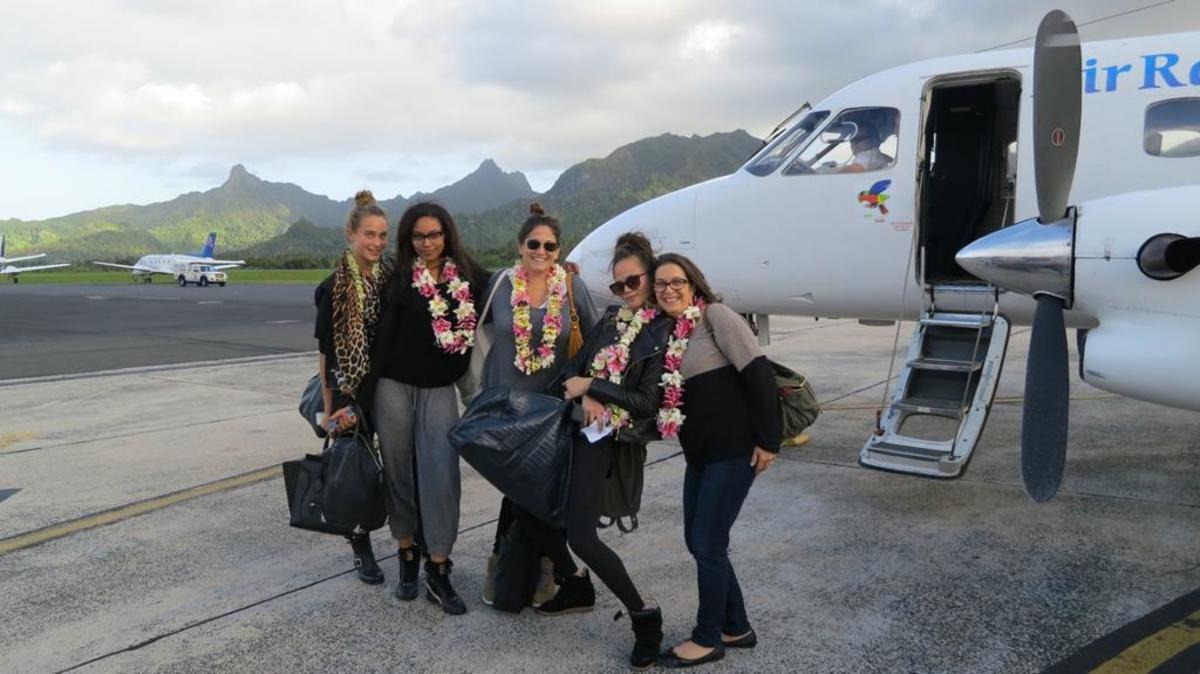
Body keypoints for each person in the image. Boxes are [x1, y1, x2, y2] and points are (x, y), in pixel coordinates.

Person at [517, 232, 672, 668]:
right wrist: (583, 392)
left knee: (582, 535)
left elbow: (647, 401)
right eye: (619, 285)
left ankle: (645, 616)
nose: (626, 292)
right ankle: (574, 583)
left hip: (608, 442)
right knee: (530, 504)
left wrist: (594, 386)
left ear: (651, 276)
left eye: (634, 282)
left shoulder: (662, 332)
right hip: (573, 426)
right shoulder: (610, 320)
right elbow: (573, 365)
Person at [649, 253, 781, 668]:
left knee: (707, 543)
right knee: (701, 540)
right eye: (660, 284)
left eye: (677, 282)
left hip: (734, 450)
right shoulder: (672, 333)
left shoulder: (716, 317)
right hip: (701, 457)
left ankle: (708, 637)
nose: (669, 289)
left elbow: (759, 375)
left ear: (694, 284)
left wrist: (769, 440)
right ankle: (736, 625)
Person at [370, 201, 489, 615]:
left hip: (440, 389)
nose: (427, 243)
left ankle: (438, 566)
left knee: (441, 475)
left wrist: (562, 275)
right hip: (393, 388)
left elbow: (511, 288)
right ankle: (406, 553)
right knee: (399, 474)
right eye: (419, 236)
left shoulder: (468, 275)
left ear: (447, 234)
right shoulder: (395, 275)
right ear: (409, 239)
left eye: (434, 235)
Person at [480, 202, 597, 606]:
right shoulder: (499, 285)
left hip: (553, 412)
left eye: (550, 246)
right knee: (514, 489)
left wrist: (586, 388)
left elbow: (595, 340)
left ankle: (540, 571)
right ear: (520, 245)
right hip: (508, 409)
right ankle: (506, 569)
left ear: (559, 251)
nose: (542, 252)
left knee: (543, 494)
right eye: (534, 243)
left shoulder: (571, 287)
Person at [312, 190, 390, 585]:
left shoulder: (391, 280)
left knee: (392, 468)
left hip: (388, 388)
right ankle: (361, 547)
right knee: (354, 471)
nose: (376, 243)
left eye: (382, 235)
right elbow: (326, 356)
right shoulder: (333, 288)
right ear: (350, 235)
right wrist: (329, 412)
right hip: (348, 391)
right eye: (369, 235)